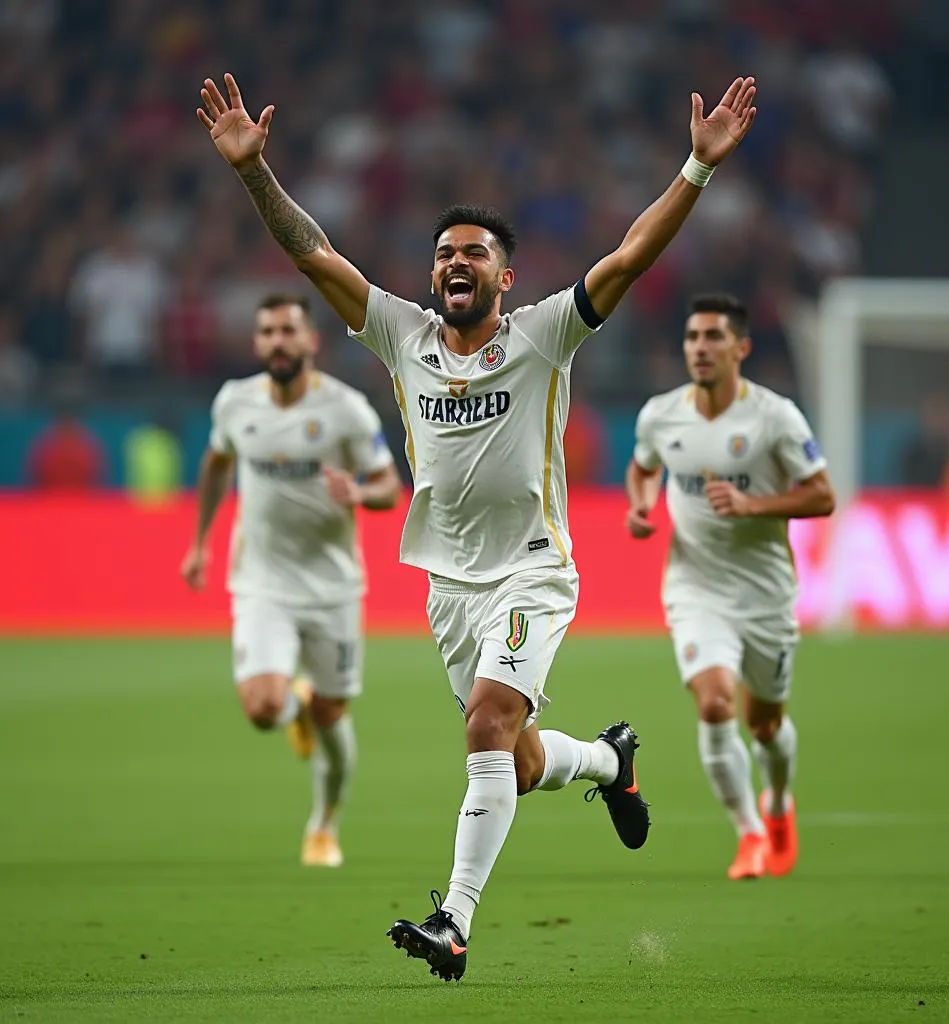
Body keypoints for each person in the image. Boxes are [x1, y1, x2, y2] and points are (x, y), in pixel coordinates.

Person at [196, 71, 757, 980]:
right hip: (449, 584)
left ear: (505, 274)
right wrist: (255, 174)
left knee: (487, 729)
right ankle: (611, 763)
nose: (456, 264)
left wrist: (696, 166)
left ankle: (453, 920)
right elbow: (316, 258)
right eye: (444, 254)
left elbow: (627, 259)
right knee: (523, 761)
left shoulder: (543, 334)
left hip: (534, 570)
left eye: (475, 253)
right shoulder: (399, 337)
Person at [180, 293, 401, 869]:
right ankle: (289, 706)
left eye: (288, 331)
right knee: (260, 707)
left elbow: (388, 485)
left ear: (311, 341)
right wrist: (201, 543)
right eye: (268, 332)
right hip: (261, 582)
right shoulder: (235, 403)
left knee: (331, 715)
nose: (278, 341)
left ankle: (324, 826)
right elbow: (217, 464)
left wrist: (358, 493)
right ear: (258, 343)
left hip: (332, 587)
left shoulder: (346, 411)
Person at [625, 294, 835, 881]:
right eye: (692, 337)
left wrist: (752, 504)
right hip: (695, 587)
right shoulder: (661, 415)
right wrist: (641, 507)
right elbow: (643, 466)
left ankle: (778, 802)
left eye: (713, 337)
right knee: (715, 703)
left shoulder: (776, 417)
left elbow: (823, 495)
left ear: (740, 347)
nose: (700, 348)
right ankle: (748, 834)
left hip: (765, 591)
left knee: (765, 723)